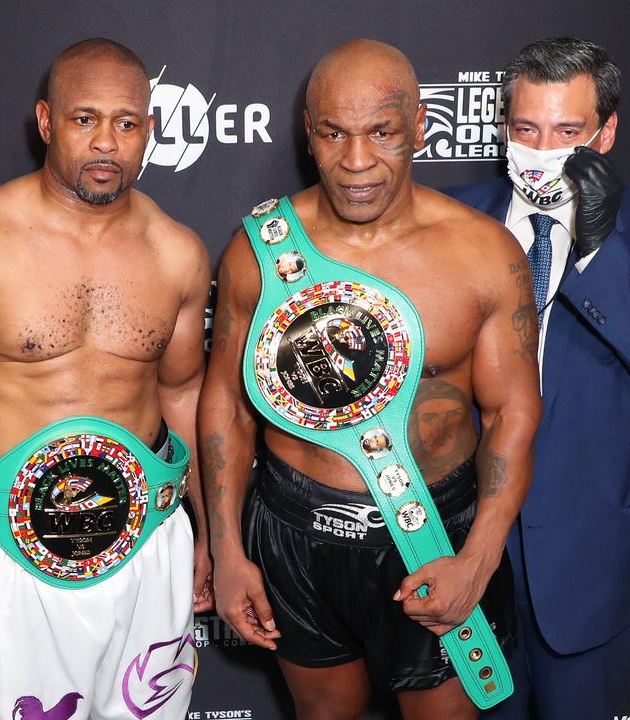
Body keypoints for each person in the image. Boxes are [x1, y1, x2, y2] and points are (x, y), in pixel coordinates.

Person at [200, 39, 540, 719]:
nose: (356, 163)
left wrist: (478, 558)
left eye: (381, 133)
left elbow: (513, 415)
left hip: (432, 535)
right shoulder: (259, 250)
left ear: (418, 126)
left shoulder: (482, 252)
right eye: (334, 134)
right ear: (309, 133)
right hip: (293, 533)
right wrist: (226, 549)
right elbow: (226, 410)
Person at [0, 38, 212, 720]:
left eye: (126, 122)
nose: (106, 143)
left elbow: (182, 393)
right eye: (85, 119)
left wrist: (211, 534)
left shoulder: (176, 251)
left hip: (149, 542)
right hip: (5, 553)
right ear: (46, 121)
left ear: (149, 129)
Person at [445, 37, 630, 719]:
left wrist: (602, 251)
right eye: (525, 129)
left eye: (567, 131)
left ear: (606, 132)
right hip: (453, 547)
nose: (542, 149)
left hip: (591, 558)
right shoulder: (446, 223)